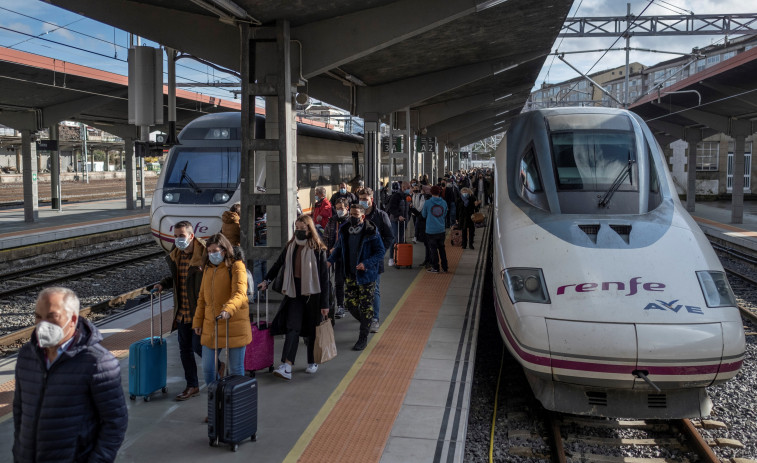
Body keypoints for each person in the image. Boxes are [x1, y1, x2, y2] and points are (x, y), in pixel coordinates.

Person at [13, 287, 127, 463]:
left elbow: (115, 422)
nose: (43, 325)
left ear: (73, 319)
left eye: (51, 317)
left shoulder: (98, 362)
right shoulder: (26, 355)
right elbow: (20, 411)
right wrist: (18, 451)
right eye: (38, 317)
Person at [258, 215, 329, 379]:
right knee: (293, 327)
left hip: (314, 294)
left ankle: (312, 361)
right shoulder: (291, 246)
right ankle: (287, 366)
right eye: (296, 228)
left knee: (312, 330)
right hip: (294, 292)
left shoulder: (318, 250)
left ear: (309, 230)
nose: (299, 231)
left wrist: (325, 304)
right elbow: (278, 265)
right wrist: (266, 281)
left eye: (302, 229)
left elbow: (324, 279)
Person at [152, 220, 206, 401]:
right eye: (175, 236)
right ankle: (192, 385)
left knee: (199, 347)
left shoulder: (205, 254)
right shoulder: (176, 255)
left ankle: (218, 369)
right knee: (185, 350)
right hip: (182, 311)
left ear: (191, 236)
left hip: (199, 311)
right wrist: (163, 284)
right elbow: (177, 278)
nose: (178, 240)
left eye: (181, 236)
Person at [192, 234, 251, 398]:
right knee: (208, 368)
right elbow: (202, 298)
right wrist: (197, 321)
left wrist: (228, 309)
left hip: (234, 323)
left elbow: (240, 293)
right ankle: (217, 405)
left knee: (236, 370)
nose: (212, 254)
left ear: (224, 250)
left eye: (215, 251)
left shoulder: (236, 266)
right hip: (212, 325)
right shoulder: (208, 269)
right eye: (209, 251)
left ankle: (235, 407)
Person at [327, 203, 385, 350]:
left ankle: (362, 338)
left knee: (366, 306)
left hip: (366, 276)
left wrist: (366, 264)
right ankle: (367, 321)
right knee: (351, 305)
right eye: (351, 214)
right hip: (350, 275)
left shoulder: (371, 231)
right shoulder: (345, 230)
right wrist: (330, 261)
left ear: (362, 216)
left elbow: (380, 252)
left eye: (355, 215)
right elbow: (339, 247)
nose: (352, 218)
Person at [356, 187, 393, 333]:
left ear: (372, 199)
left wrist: (380, 251)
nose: (363, 201)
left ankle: (375, 319)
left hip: (374, 260)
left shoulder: (381, 215)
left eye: (365, 199)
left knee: (374, 289)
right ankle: (364, 316)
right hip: (358, 260)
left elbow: (389, 236)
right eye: (361, 199)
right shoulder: (356, 215)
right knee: (360, 289)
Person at [324, 197, 351, 319]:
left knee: (350, 281)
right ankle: (340, 305)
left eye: (342, 208)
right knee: (338, 281)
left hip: (350, 257)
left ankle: (350, 302)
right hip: (336, 257)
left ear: (347, 208)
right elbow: (326, 238)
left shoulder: (352, 221)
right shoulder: (332, 221)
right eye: (337, 208)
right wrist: (327, 253)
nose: (339, 210)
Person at [422, 185, 449, 273]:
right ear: (439, 192)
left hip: (431, 230)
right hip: (441, 229)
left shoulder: (428, 202)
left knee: (433, 249)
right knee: (442, 248)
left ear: (431, 192)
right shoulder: (444, 202)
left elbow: (424, 215)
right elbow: (445, 214)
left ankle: (435, 268)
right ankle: (445, 268)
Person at [386, 181, 409, 262]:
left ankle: (400, 257)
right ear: (403, 187)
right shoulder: (396, 196)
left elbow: (408, 209)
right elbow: (392, 208)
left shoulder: (407, 196)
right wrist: (398, 215)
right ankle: (391, 257)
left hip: (404, 220)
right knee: (395, 238)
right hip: (395, 220)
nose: (410, 189)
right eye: (408, 188)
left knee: (401, 238)